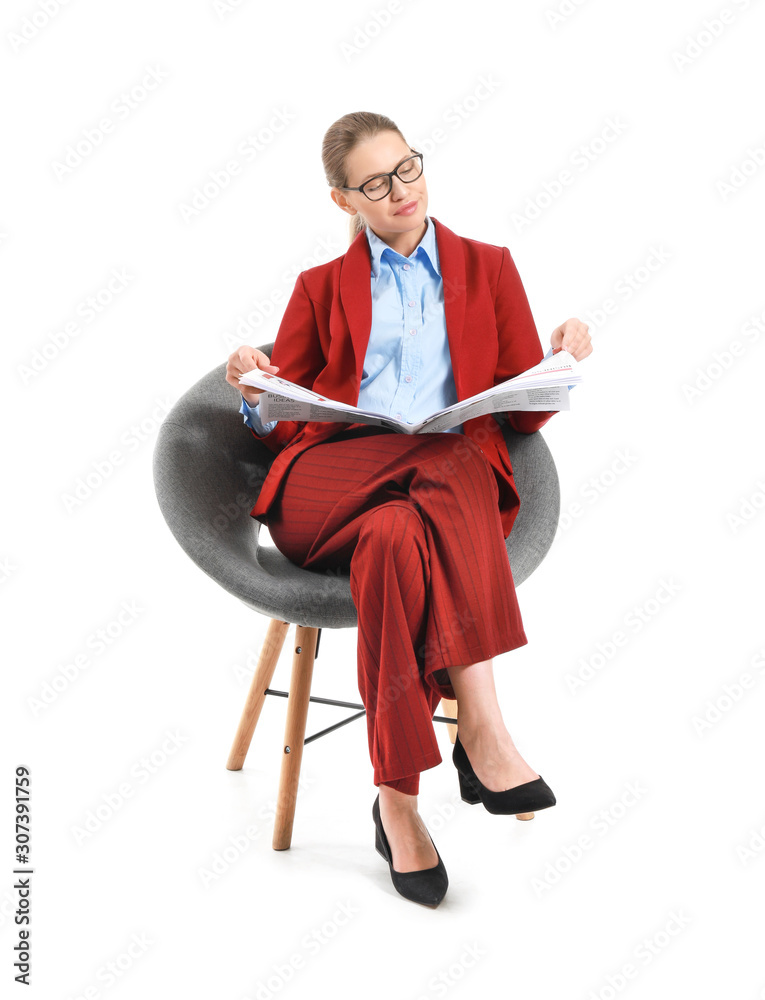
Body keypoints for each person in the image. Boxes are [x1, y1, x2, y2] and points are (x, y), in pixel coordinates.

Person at [225, 111, 592, 907]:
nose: (401, 190)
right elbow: (293, 416)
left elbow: (513, 417)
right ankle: (485, 732)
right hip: (329, 484)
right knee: (446, 460)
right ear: (342, 200)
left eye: (409, 167)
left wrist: (554, 367)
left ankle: (395, 801)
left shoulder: (488, 268)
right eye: (375, 182)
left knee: (400, 531)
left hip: (429, 503)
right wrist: (257, 394)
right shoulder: (318, 289)